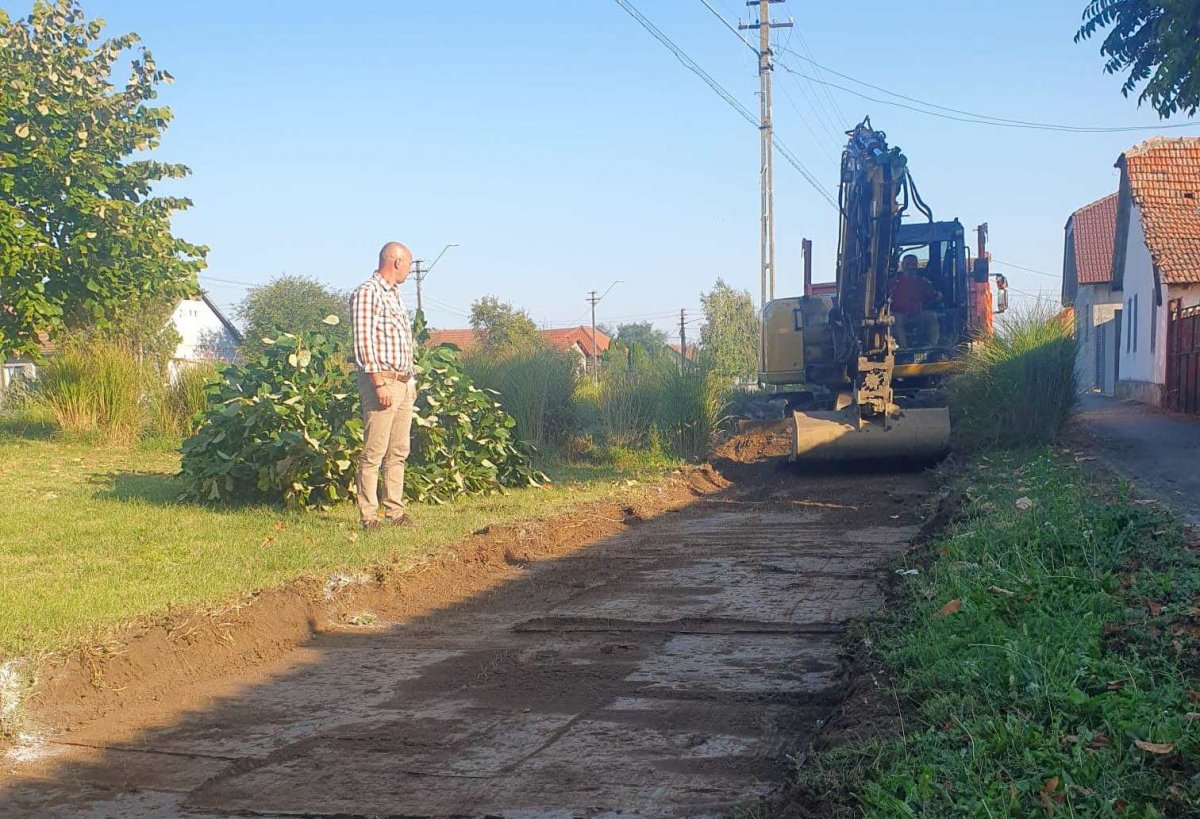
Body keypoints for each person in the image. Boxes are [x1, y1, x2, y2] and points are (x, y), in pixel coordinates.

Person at [351, 242, 417, 530]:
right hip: (383, 382)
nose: (410, 271)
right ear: (397, 261)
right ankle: (368, 516)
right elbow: (363, 342)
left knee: (399, 450)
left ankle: (395, 511)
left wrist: (410, 380)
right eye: (410, 265)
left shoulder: (395, 295)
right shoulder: (368, 292)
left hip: (403, 382)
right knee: (374, 452)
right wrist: (378, 383)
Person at [889, 254, 942, 348]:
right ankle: (904, 348)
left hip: (919, 314)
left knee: (932, 316)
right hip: (901, 315)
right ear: (902, 265)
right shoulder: (894, 283)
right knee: (897, 319)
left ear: (917, 266)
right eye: (908, 264)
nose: (910, 266)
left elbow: (935, 296)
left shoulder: (923, 283)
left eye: (913, 264)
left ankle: (932, 347)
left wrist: (939, 296)